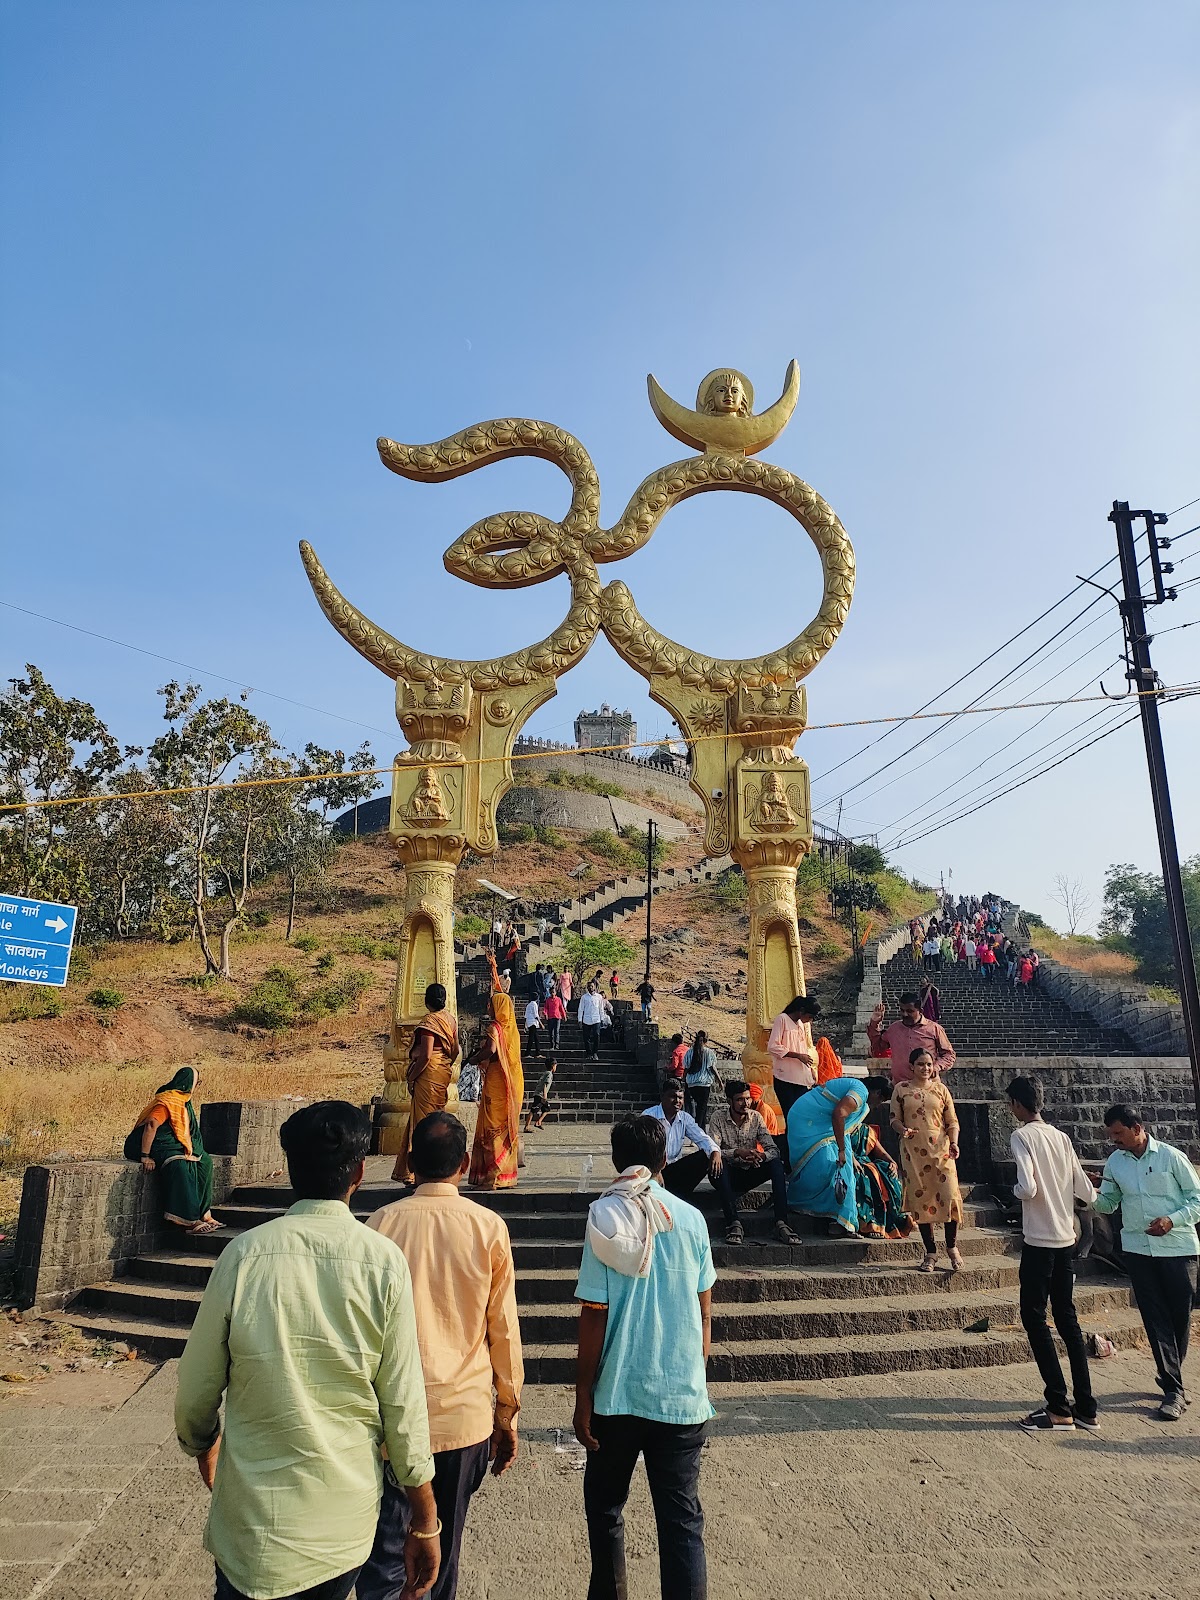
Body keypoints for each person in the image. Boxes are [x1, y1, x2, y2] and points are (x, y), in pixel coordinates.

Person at [175, 1102, 439, 1600]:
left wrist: (203, 1443)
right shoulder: (382, 1263)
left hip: (247, 1530)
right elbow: (402, 1407)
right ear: (359, 1172)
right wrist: (424, 1521)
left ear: (291, 1170)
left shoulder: (243, 1255)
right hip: (339, 1530)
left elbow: (195, 1392)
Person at [360, 1112, 523, 1600]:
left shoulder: (380, 1225)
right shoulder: (488, 1228)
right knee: (444, 1552)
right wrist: (507, 1414)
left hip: (392, 1419)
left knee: (385, 1556)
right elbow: (504, 1331)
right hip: (463, 1418)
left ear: (409, 1161)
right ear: (466, 1163)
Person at [574, 1114, 715, 1600]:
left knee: (606, 1509)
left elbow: (594, 1315)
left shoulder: (605, 1217)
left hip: (618, 1393)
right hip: (680, 1396)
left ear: (617, 1161)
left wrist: (582, 1395)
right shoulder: (692, 1219)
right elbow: (704, 1310)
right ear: (664, 1160)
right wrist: (695, 1372)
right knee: (682, 1524)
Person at [1093, 1104, 1200, 1421]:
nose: (1114, 1140)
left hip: (1178, 1248)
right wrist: (1085, 1190)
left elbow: (1197, 1200)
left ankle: (1171, 1378)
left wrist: (1172, 1220)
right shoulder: (1115, 1162)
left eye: (1118, 1133)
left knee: (1179, 1317)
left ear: (1137, 1128)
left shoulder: (1171, 1157)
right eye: (1111, 1134)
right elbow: (1109, 1204)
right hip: (1139, 1250)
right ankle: (1174, 1389)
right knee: (1155, 1319)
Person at [1005, 1076, 1098, 1434]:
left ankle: (1058, 1404)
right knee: (1067, 1319)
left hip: (1039, 1241)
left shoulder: (1022, 1136)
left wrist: (1016, 1189)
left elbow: (1027, 1187)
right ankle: (1086, 1406)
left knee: (1034, 1319)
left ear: (1016, 1105)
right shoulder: (1061, 1137)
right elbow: (1084, 1190)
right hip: (1066, 1239)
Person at [785, 1075, 893, 1235]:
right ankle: (802, 1201)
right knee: (827, 1165)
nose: (878, 1105)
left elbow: (845, 1127)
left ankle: (841, 1220)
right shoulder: (860, 1091)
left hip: (824, 1126)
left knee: (845, 1169)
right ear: (877, 1093)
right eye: (881, 1100)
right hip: (809, 1120)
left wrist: (851, 1156)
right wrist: (842, 1151)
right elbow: (839, 1114)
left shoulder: (861, 1097)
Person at [891, 1050, 963, 1271]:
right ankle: (930, 1252)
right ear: (912, 1066)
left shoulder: (941, 1090)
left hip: (941, 1149)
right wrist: (903, 1130)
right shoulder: (901, 1089)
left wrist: (953, 1142)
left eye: (929, 1064)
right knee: (922, 1198)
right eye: (921, 1064)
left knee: (949, 1194)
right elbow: (894, 1118)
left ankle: (952, 1247)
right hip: (914, 1150)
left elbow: (952, 1120)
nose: (926, 1068)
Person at [707, 1080, 801, 1246]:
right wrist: (737, 1152)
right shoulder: (718, 1118)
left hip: (749, 1170)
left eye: (748, 1099)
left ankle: (781, 1223)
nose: (746, 1103)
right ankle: (733, 1223)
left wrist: (760, 1156)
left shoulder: (756, 1117)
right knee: (720, 1162)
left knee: (776, 1164)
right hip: (725, 1175)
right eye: (740, 1100)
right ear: (729, 1101)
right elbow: (712, 1149)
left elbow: (772, 1149)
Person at [127, 1066, 218, 1235]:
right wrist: (145, 1156)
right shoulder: (168, 1100)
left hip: (171, 1143)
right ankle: (188, 1220)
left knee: (204, 1161)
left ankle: (204, 1213)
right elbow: (151, 1124)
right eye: (197, 1083)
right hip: (155, 1144)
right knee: (180, 1166)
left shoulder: (183, 1100)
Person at [391, 985, 461, 1185]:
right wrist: (445, 1062)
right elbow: (455, 1050)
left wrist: (412, 1076)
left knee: (422, 1125)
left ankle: (418, 1173)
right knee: (437, 1122)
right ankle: (437, 1169)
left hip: (428, 1074)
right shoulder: (450, 1020)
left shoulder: (429, 1022)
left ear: (426, 1001)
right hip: (442, 1073)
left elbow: (426, 1056)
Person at [468, 957, 523, 1191]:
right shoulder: (512, 1030)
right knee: (505, 1126)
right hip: (513, 1082)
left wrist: (474, 1059)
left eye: (491, 1004)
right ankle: (506, 1175)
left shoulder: (495, 1028)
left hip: (498, 1084)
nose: (488, 1007)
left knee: (493, 1126)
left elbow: (490, 1050)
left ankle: (492, 1175)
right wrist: (494, 967)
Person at [643, 1080, 721, 1205]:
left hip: (673, 1169)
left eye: (680, 1097)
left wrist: (715, 1151)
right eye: (672, 1096)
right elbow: (642, 1151)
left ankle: (679, 1198)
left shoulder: (684, 1118)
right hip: (651, 1172)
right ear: (662, 1096)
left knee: (705, 1156)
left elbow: (701, 1137)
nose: (677, 1101)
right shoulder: (649, 1116)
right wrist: (656, 1171)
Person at [766, 995, 820, 1166]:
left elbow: (803, 1050)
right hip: (785, 1078)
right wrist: (797, 1056)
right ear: (802, 1011)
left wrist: (809, 1070)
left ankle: (798, 1156)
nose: (809, 1021)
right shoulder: (782, 1020)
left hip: (801, 1079)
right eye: (809, 1017)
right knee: (792, 1119)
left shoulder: (800, 1025)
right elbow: (773, 1046)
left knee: (802, 1119)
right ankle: (788, 1158)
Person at [849, 1106, 912, 1240]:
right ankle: (869, 1223)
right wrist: (852, 1159)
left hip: (866, 1163)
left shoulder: (866, 1130)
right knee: (864, 1176)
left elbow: (881, 1152)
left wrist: (892, 1163)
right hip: (850, 1162)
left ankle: (891, 1219)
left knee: (887, 1172)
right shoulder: (841, 1129)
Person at [867, 995, 956, 1084]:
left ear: (920, 1011)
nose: (905, 1014)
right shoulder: (894, 1029)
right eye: (902, 1010)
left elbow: (949, 1055)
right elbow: (878, 1047)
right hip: (901, 1085)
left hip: (928, 1084)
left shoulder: (934, 1029)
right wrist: (875, 1023)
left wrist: (936, 1067)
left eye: (910, 1011)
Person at [682, 1030, 719, 1130]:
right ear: (706, 1040)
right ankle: (697, 1130)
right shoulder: (709, 1052)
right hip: (704, 1083)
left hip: (692, 1084)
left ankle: (702, 1131)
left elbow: (686, 1068)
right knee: (701, 1109)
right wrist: (719, 1080)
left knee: (700, 1108)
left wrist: (683, 1080)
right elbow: (712, 1067)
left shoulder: (689, 1052)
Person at [525, 1058, 558, 1131]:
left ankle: (538, 1122)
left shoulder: (546, 1073)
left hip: (539, 1094)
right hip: (540, 1095)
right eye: (555, 1066)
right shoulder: (549, 1074)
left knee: (547, 1108)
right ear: (553, 1066)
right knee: (533, 1110)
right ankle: (527, 1127)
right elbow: (545, 1085)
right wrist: (545, 1095)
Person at [579, 981, 605, 1062]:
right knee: (586, 1037)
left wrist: (602, 1018)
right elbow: (581, 1009)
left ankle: (595, 1052)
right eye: (589, 986)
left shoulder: (599, 997)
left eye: (592, 986)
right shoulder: (584, 997)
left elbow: (601, 1008)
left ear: (595, 987)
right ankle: (588, 1053)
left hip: (596, 1019)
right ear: (587, 987)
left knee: (597, 1035)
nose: (590, 987)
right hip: (586, 1020)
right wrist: (580, 1020)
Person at [542, 987, 566, 1052]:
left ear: (555, 993)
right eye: (551, 992)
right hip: (550, 1017)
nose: (552, 993)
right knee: (551, 1032)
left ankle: (557, 1045)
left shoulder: (558, 999)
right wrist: (545, 1013)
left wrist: (564, 1016)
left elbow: (561, 1008)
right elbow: (546, 1008)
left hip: (557, 1017)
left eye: (553, 992)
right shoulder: (548, 1000)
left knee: (556, 1031)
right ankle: (552, 1045)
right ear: (550, 993)